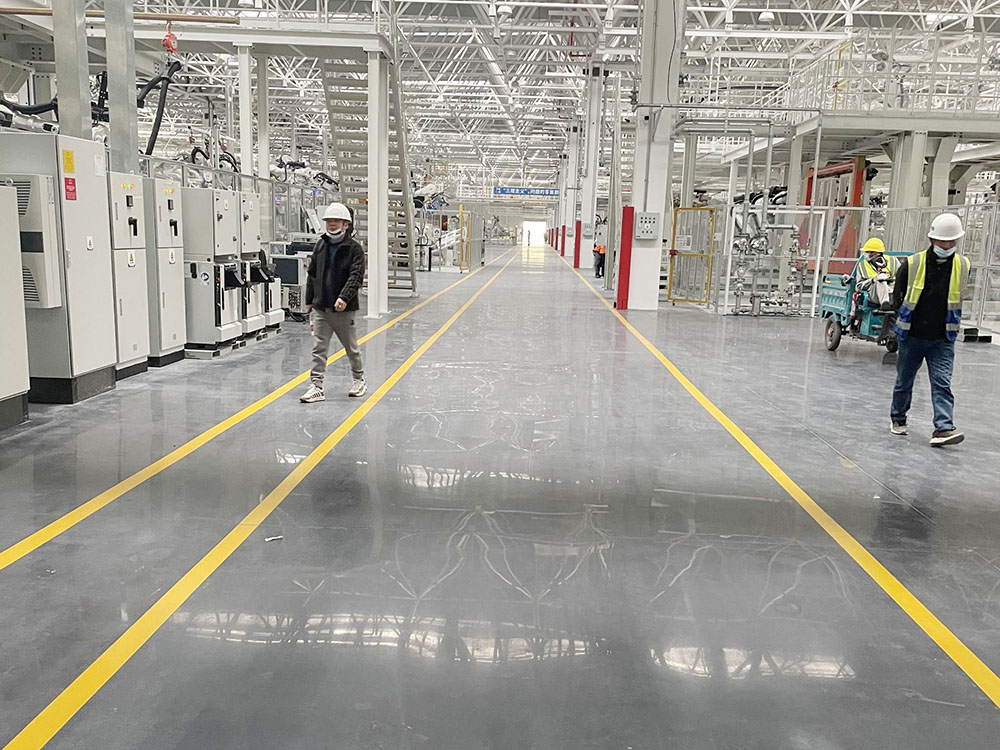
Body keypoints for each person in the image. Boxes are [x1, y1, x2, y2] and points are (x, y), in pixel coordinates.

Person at [889, 212, 972, 446]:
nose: (947, 246)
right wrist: (902, 322)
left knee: (942, 383)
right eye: (943, 241)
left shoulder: (963, 265)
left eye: (951, 241)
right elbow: (898, 296)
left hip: (943, 338)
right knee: (904, 381)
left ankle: (943, 429)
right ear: (932, 239)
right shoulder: (912, 263)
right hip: (912, 336)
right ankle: (898, 418)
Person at [300, 202, 368, 404]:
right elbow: (312, 273)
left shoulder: (355, 249)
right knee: (319, 349)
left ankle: (359, 380)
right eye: (329, 220)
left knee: (351, 348)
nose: (332, 224)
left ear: (346, 224)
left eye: (336, 221)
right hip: (322, 307)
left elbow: (356, 276)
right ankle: (316, 386)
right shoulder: (320, 245)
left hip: (343, 310)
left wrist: (344, 297)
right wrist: (309, 300)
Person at [854, 237, 897, 311]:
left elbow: (901, 277)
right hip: (874, 294)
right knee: (881, 279)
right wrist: (873, 280)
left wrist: (890, 280)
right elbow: (859, 286)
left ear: (879, 253)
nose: (867, 254)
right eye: (866, 252)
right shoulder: (862, 265)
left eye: (871, 252)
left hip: (892, 291)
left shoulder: (892, 261)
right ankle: (885, 303)